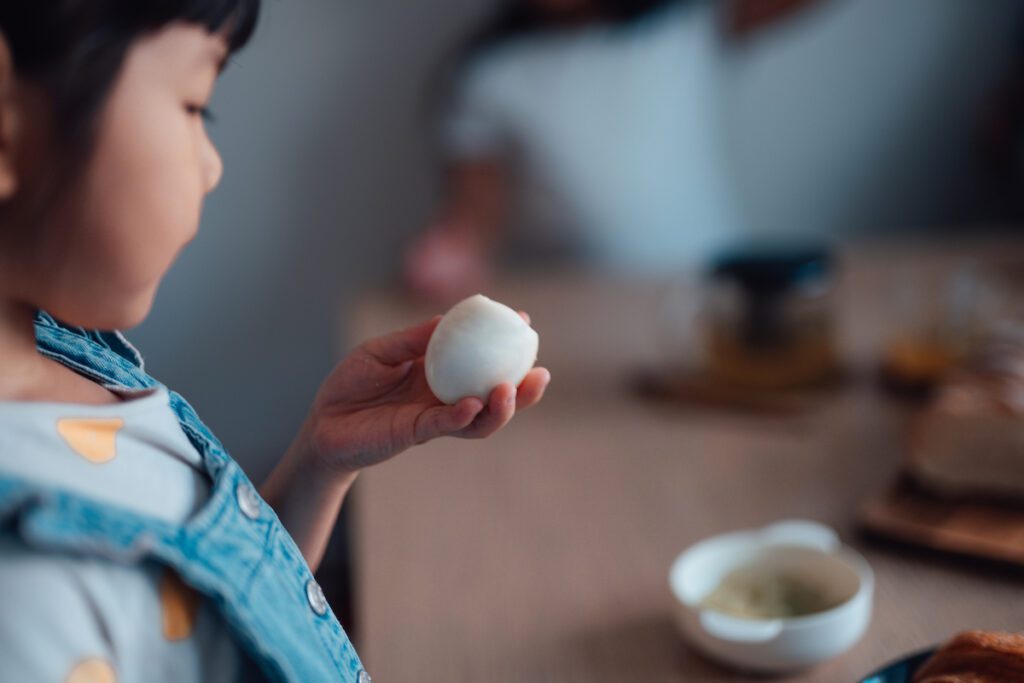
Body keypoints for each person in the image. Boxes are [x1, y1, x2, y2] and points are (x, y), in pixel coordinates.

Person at [0, 3, 550, 682]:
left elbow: (206, 634)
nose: (212, 166)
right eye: (194, 104)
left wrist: (320, 460)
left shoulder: (70, 359)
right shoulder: (25, 602)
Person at [405, 0, 818, 303]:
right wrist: (454, 249)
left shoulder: (685, 22)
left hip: (718, 289)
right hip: (579, 311)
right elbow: (476, 212)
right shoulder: (488, 74)